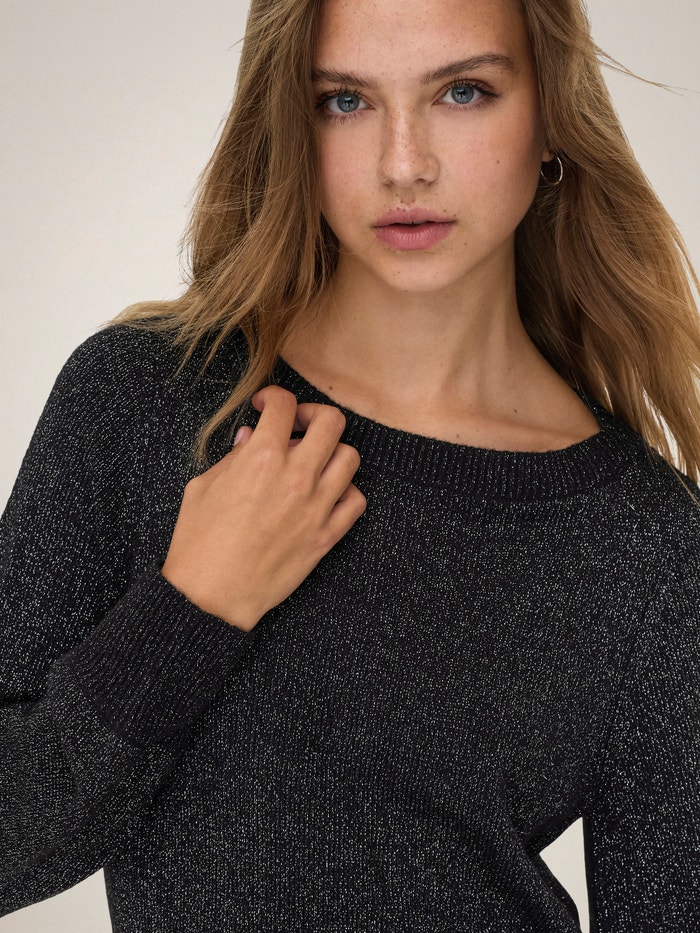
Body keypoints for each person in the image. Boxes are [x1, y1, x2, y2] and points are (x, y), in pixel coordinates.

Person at [1, 0, 699, 929]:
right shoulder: (141, 401)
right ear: (293, 125)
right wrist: (191, 610)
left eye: (463, 91)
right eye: (345, 101)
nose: (404, 164)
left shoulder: (648, 543)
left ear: (551, 119)